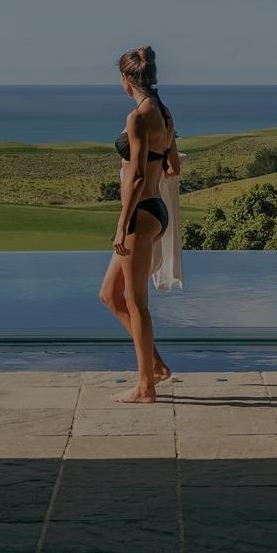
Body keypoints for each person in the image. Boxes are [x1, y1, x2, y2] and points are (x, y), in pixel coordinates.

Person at [98, 45, 180, 403]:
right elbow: (174, 167)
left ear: (127, 79)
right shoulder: (164, 113)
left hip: (139, 214)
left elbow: (132, 179)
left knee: (136, 303)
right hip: (157, 210)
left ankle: (146, 387)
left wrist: (121, 224)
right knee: (109, 295)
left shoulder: (137, 119)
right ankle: (156, 367)